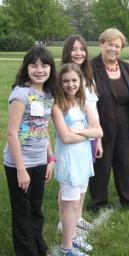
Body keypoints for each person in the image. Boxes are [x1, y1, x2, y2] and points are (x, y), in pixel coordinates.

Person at [3, 45, 56, 256]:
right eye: (34, 66)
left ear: (51, 68)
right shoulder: (21, 94)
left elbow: (43, 130)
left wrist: (50, 158)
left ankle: (38, 248)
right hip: (20, 164)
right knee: (22, 215)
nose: (39, 70)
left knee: (36, 210)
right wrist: (21, 169)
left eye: (44, 65)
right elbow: (12, 134)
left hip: (39, 162)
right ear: (27, 68)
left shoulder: (47, 94)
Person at [87, 28, 129, 214]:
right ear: (101, 44)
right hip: (101, 125)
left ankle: (128, 199)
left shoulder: (127, 68)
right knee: (101, 164)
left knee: (126, 164)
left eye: (117, 46)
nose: (113, 49)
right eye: (109, 44)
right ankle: (97, 201)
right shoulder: (90, 68)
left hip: (126, 125)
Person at [52, 63, 103, 256]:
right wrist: (88, 134)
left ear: (80, 81)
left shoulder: (84, 103)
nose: (70, 84)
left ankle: (71, 237)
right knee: (70, 204)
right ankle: (67, 248)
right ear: (60, 82)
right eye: (65, 81)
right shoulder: (58, 106)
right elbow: (65, 137)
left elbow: (99, 130)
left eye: (74, 80)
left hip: (83, 159)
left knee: (77, 200)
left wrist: (81, 131)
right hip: (69, 161)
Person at [59, 35, 97, 236]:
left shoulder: (87, 74)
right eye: (74, 49)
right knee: (69, 182)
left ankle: (77, 216)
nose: (78, 53)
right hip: (73, 139)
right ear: (67, 51)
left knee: (83, 180)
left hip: (89, 133)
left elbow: (94, 108)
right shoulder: (64, 76)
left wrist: (96, 139)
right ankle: (63, 220)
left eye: (82, 49)